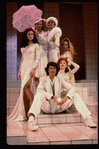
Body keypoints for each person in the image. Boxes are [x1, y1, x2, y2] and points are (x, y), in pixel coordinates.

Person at [27, 62, 97, 131]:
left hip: (58, 106)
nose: (52, 70)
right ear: (47, 70)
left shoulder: (60, 79)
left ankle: (88, 119)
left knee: (75, 95)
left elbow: (73, 88)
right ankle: (31, 121)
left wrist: (66, 98)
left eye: (54, 68)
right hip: (47, 107)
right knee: (39, 94)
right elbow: (39, 91)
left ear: (56, 70)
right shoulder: (43, 79)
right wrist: (52, 97)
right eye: (50, 68)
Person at [7, 28, 40, 121]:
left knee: (25, 87)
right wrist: (19, 70)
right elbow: (22, 60)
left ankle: (35, 107)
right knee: (24, 91)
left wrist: (34, 68)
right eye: (29, 34)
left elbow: (38, 58)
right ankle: (26, 114)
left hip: (31, 68)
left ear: (34, 36)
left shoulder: (36, 45)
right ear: (26, 35)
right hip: (24, 69)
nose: (30, 36)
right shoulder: (24, 47)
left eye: (32, 34)